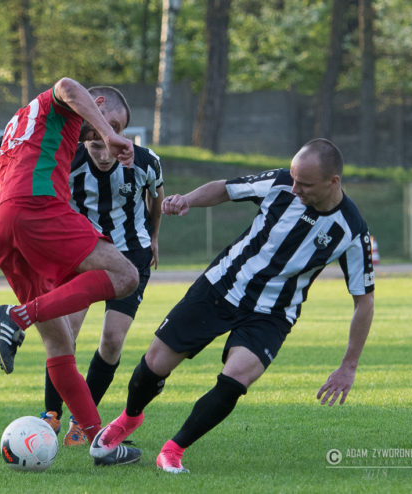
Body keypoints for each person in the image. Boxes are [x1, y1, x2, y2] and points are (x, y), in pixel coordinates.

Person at [89, 138, 375, 473]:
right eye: (295, 179)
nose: (295, 188)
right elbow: (225, 189)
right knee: (154, 365)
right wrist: (188, 200)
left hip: (272, 313)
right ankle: (129, 418)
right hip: (220, 286)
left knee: (235, 379)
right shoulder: (281, 183)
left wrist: (348, 366)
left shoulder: (351, 230)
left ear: (333, 182)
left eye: (305, 184)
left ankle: (173, 450)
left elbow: (364, 300)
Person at [0, 80, 143, 466]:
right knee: (126, 276)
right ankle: (18, 316)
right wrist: (107, 132)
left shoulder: (18, 124)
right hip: (37, 209)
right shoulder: (61, 105)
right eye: (113, 123)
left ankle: (98, 442)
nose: (107, 135)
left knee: (59, 342)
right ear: (97, 103)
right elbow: (67, 86)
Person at [40, 134, 164, 446]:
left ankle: (81, 421)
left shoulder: (145, 161)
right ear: (85, 139)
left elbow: (157, 195)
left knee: (112, 341)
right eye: (96, 146)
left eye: (110, 147)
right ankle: (51, 414)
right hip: (83, 254)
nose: (105, 155)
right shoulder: (68, 160)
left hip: (131, 256)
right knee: (65, 332)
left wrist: (154, 237)